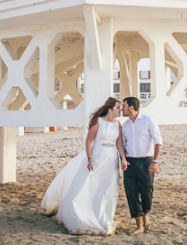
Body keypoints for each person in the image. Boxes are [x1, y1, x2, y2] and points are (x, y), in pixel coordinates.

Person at [40, 97, 128, 235]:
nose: (121, 110)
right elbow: (88, 142)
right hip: (97, 157)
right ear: (110, 109)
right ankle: (81, 215)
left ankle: (104, 218)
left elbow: (119, 144)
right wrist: (90, 159)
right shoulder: (98, 121)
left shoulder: (118, 124)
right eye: (118, 107)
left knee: (108, 190)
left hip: (112, 160)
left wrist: (123, 158)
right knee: (88, 186)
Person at [121, 96, 162, 235]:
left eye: (124, 105)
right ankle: (139, 225)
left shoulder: (148, 120)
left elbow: (158, 142)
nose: (122, 108)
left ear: (131, 107)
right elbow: (122, 145)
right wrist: (123, 160)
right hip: (129, 163)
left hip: (146, 162)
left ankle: (145, 215)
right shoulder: (125, 125)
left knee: (147, 192)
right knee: (131, 194)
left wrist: (155, 161)